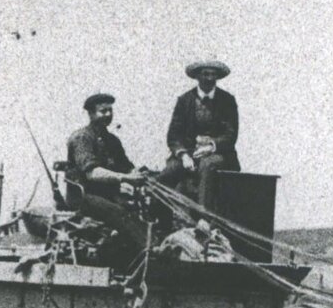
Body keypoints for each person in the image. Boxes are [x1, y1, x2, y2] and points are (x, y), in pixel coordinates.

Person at [64, 93, 154, 257]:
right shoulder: (82, 138)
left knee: (139, 210)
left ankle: (131, 255)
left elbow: (127, 167)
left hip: (107, 195)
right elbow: (92, 173)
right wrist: (125, 178)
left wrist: (138, 173)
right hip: (83, 197)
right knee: (120, 213)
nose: (108, 115)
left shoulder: (112, 140)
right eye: (103, 111)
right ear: (91, 114)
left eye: (110, 110)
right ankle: (151, 251)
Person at [161, 59, 241, 207]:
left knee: (207, 165)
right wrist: (183, 155)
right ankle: (158, 216)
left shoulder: (227, 101)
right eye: (205, 74)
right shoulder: (184, 100)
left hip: (219, 155)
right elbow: (173, 135)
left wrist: (211, 147)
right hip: (189, 154)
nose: (209, 78)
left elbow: (231, 135)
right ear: (197, 76)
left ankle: (203, 214)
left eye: (213, 74)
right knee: (169, 172)